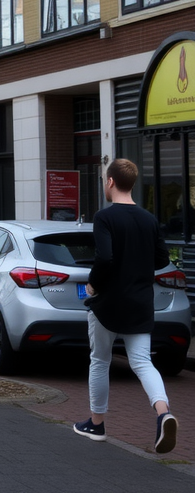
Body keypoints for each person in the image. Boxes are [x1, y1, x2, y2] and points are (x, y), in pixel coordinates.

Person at [74, 159, 179, 454]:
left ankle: (97, 424)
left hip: (108, 303)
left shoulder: (105, 218)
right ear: (131, 183)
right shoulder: (148, 219)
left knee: (100, 361)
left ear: (110, 182)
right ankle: (163, 413)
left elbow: (105, 258)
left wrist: (94, 283)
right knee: (143, 362)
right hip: (140, 303)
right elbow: (162, 259)